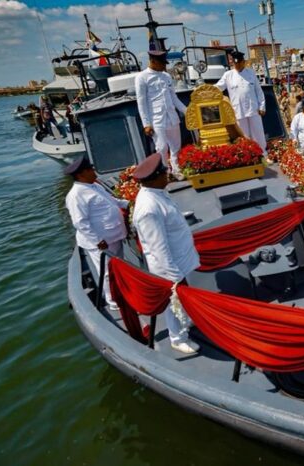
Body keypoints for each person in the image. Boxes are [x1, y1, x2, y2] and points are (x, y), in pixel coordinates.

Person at [131, 153, 200, 354]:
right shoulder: (148, 208)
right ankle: (177, 338)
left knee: (180, 299)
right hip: (170, 266)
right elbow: (157, 248)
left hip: (179, 258)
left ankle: (186, 322)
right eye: (163, 173)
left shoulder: (157, 193)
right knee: (173, 300)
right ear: (153, 178)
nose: (167, 175)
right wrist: (174, 277)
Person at [64, 156, 128, 311]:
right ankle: (113, 301)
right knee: (106, 272)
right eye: (90, 170)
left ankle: (122, 293)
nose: (94, 172)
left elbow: (113, 201)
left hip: (114, 236)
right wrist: (97, 240)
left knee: (119, 267)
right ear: (81, 174)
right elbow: (80, 222)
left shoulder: (94, 186)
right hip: (102, 241)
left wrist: (130, 203)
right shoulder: (76, 195)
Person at [135, 50, 188, 178]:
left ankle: (176, 170)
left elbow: (173, 97)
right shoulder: (142, 77)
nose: (164, 66)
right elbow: (141, 103)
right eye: (162, 63)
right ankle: (166, 172)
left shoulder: (166, 76)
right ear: (153, 61)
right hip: (156, 119)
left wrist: (187, 111)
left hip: (171, 117)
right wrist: (146, 124)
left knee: (176, 147)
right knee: (162, 148)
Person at [214, 51, 267, 152]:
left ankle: (263, 153)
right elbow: (218, 87)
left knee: (258, 133)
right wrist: (205, 89)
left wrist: (262, 106)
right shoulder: (228, 75)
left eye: (239, 63)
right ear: (232, 63)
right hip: (238, 110)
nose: (237, 65)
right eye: (235, 63)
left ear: (244, 62)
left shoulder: (251, 73)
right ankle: (248, 154)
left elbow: (259, 91)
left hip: (253, 109)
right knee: (243, 135)